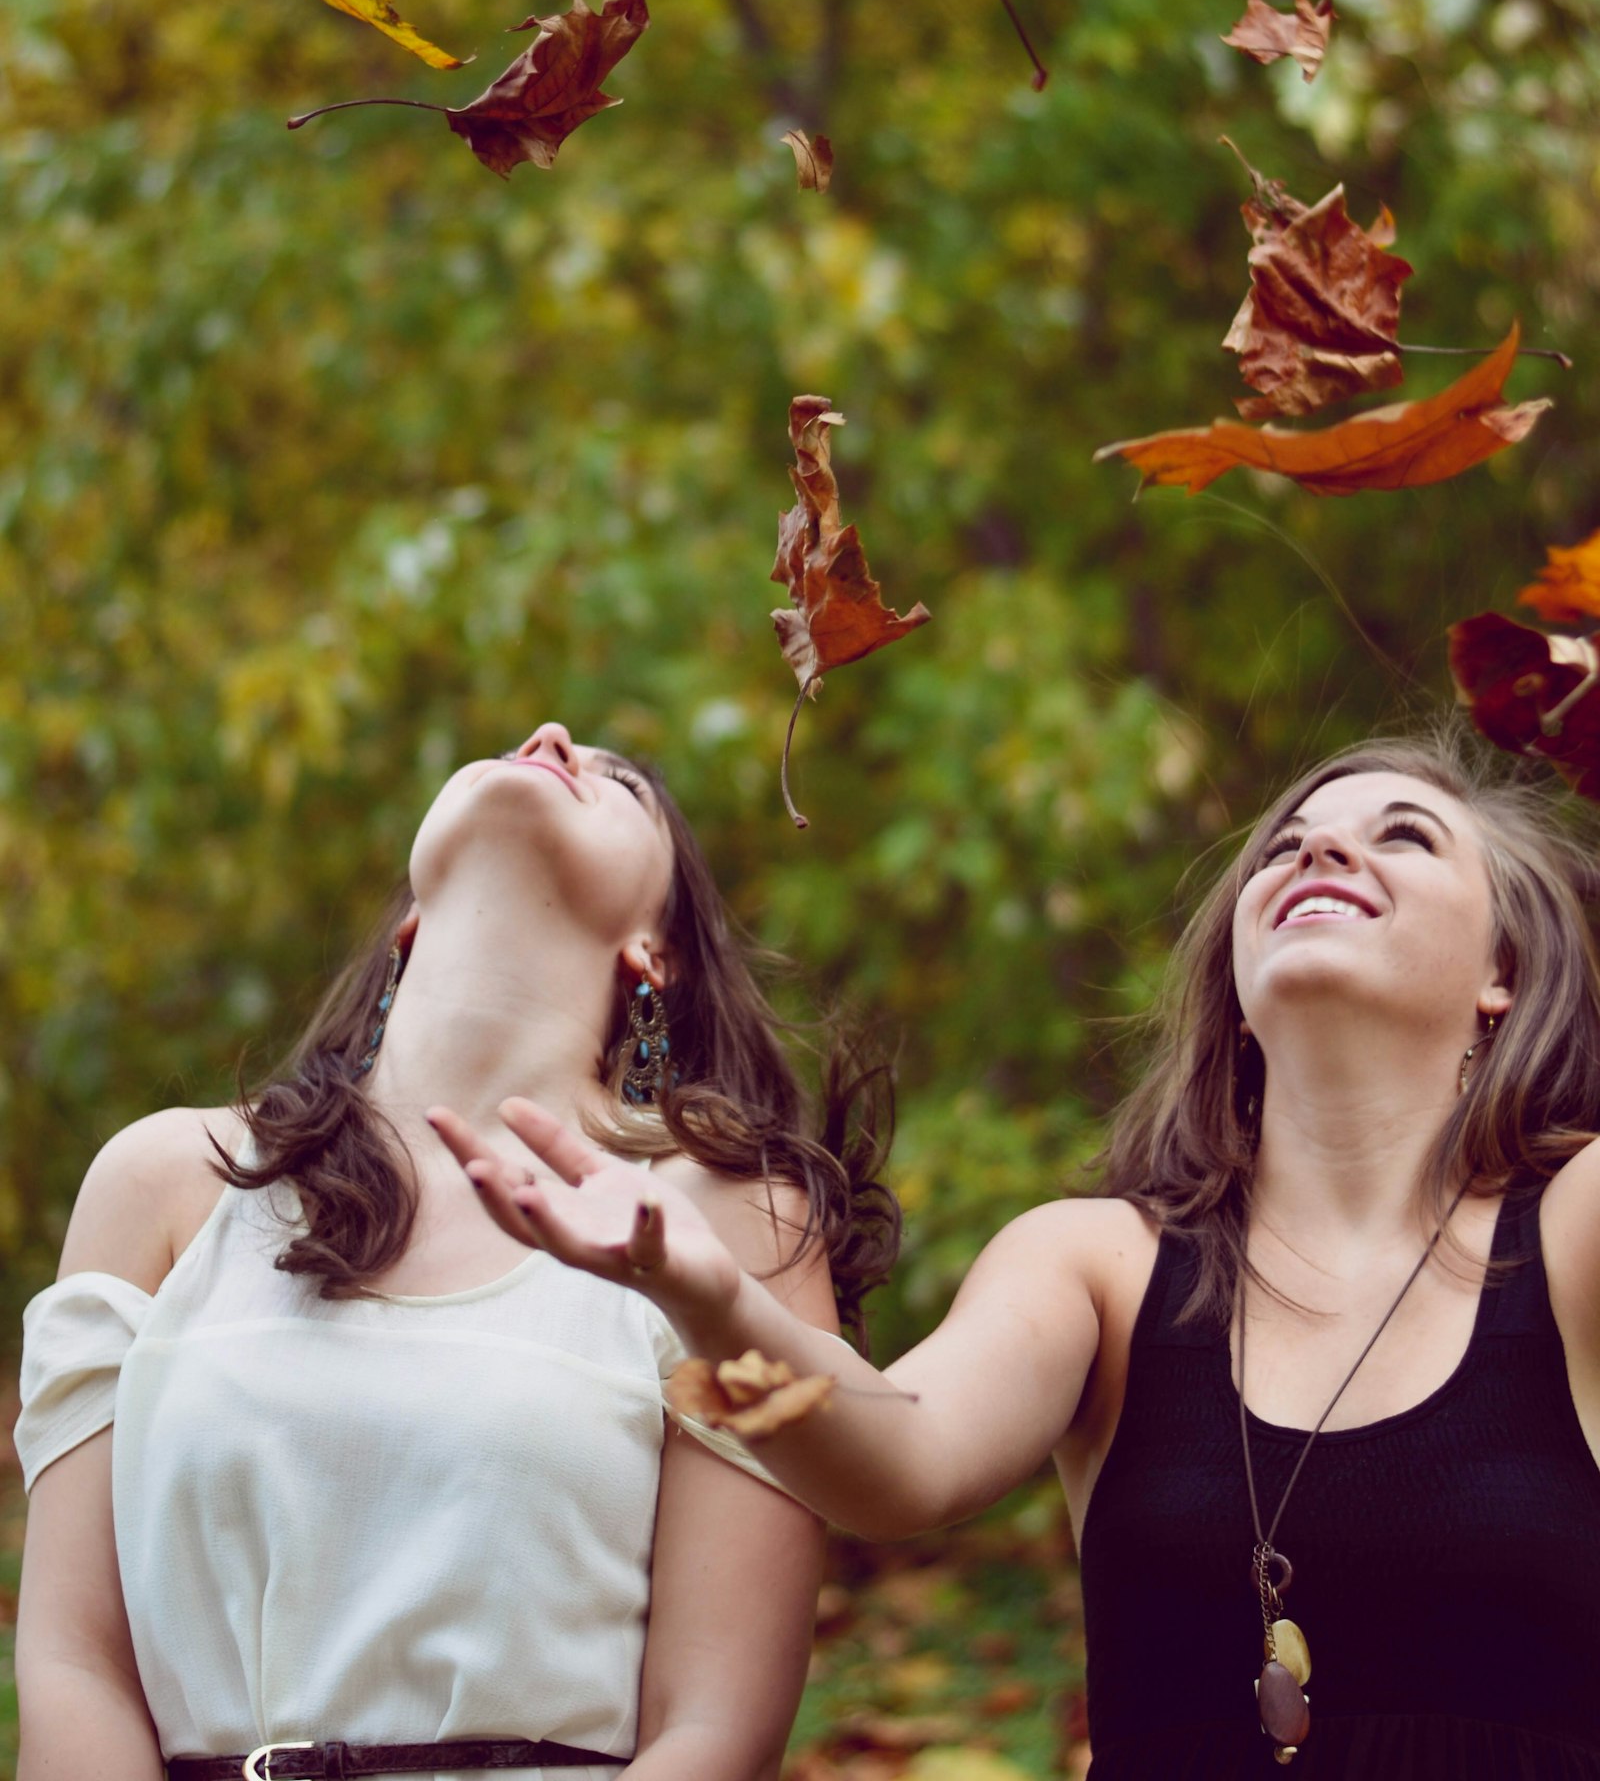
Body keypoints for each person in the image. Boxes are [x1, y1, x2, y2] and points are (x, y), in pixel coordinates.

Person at [434, 730, 1600, 1779]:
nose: (1320, 856)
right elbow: (894, 1462)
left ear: (1503, 968)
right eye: (1282, 849)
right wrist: (705, 1293)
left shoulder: (1576, 1227)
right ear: (1236, 988)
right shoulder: (1092, 1264)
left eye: (1402, 837)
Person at [14, 720, 897, 1781]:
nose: (553, 737)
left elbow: (714, 1726)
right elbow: (70, 1665)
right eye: (528, 743)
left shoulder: (726, 1226)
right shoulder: (163, 1183)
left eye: (619, 783)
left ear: (653, 950)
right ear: (409, 920)